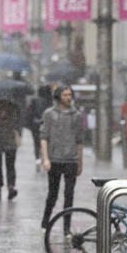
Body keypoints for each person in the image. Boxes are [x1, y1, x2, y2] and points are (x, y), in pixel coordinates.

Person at [40, 86, 86, 231]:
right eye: (65, 95)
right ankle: (45, 223)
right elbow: (44, 137)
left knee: (69, 195)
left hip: (71, 160)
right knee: (52, 195)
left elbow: (80, 140)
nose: (68, 97)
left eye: (70, 95)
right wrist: (45, 158)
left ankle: (66, 227)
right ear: (58, 97)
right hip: (54, 159)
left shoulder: (77, 116)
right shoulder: (49, 114)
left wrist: (80, 162)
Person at [24, 85, 54, 169]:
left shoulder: (34, 101)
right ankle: (46, 159)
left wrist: (29, 124)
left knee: (36, 143)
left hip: (35, 125)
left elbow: (29, 114)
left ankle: (38, 160)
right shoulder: (50, 102)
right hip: (46, 125)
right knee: (46, 143)